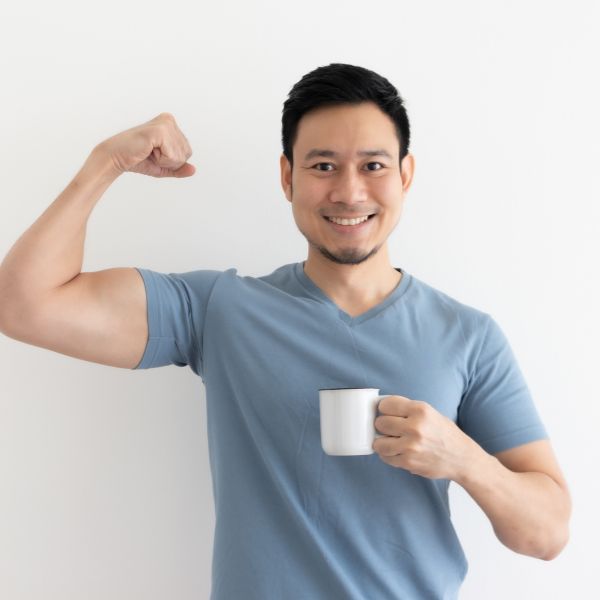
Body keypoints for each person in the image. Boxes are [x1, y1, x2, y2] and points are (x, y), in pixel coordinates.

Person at [0, 63, 571, 599]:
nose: (349, 192)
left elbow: (546, 536)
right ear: (287, 177)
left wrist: (464, 459)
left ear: (405, 175)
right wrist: (107, 162)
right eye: (323, 166)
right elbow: (23, 305)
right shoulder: (219, 309)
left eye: (373, 165)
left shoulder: (468, 335)